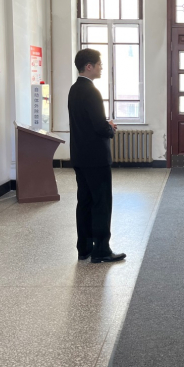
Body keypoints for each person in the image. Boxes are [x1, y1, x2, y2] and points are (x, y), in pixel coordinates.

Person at [68, 48, 126, 264]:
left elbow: (84, 122)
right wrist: (110, 127)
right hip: (96, 158)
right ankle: (101, 249)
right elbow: (99, 127)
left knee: (84, 201)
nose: (102, 67)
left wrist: (103, 123)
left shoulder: (74, 89)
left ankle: (84, 248)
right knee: (101, 203)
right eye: (99, 64)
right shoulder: (92, 91)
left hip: (80, 156)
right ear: (89, 66)